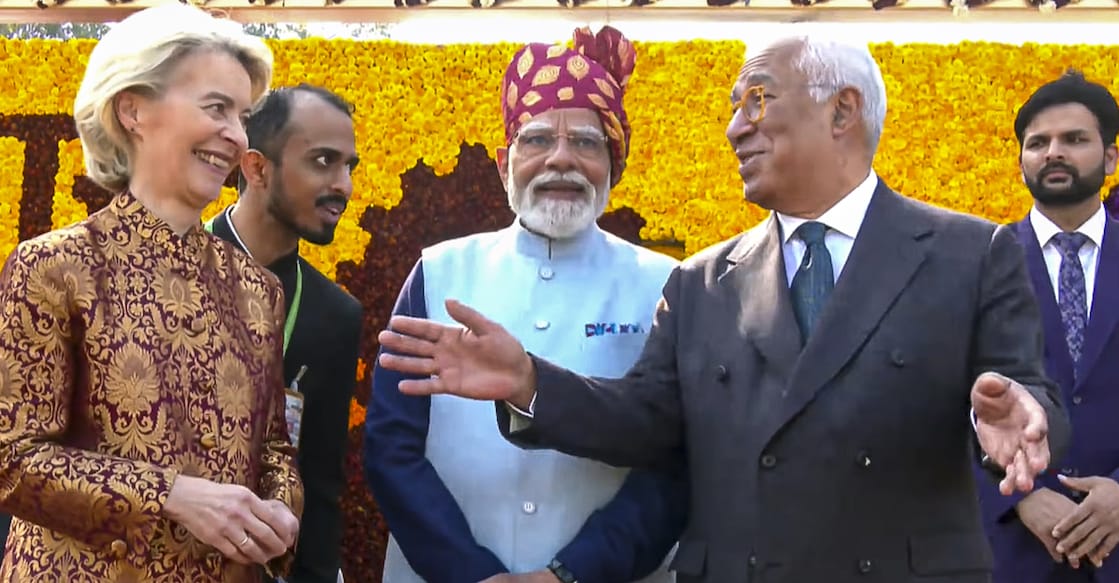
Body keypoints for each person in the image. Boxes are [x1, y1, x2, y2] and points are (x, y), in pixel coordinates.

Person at [375, 32, 1074, 582]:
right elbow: (647, 425)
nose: (735, 127)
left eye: (757, 101)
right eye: (734, 107)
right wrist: (530, 380)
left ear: (842, 110)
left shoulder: (968, 252)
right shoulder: (705, 279)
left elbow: (1023, 393)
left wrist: (1022, 414)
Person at [364, 25, 686, 583]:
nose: (561, 160)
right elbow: (392, 448)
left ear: (615, 163)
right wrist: (470, 574)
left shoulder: (668, 284)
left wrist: (571, 574)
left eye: (586, 142)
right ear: (502, 162)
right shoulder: (439, 270)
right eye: (537, 140)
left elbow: (674, 467)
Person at [0, 5, 303, 581]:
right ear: (133, 109)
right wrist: (171, 494)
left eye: (243, 117)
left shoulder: (257, 292)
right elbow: (11, 458)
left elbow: (273, 450)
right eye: (216, 108)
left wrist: (281, 513)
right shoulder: (55, 266)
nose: (236, 136)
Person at [207, 84, 363, 583]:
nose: (344, 185)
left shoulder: (335, 315)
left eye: (349, 167)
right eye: (323, 161)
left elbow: (319, 486)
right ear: (256, 168)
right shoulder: (155, 275)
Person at [975, 69, 1119, 583]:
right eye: (1038, 143)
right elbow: (936, 400)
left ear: (1111, 158)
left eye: (1075, 139)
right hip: (1013, 552)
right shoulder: (973, 264)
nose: (1054, 152)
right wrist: (1016, 496)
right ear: (1021, 164)